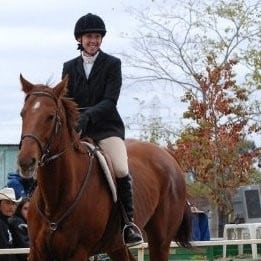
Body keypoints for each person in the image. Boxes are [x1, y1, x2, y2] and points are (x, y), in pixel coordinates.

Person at [62, 13, 143, 247]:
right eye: (89, 36)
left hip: (106, 127)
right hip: (79, 129)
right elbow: (66, 100)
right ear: (80, 38)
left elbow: (110, 101)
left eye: (97, 36)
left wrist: (88, 115)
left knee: (119, 166)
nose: (93, 40)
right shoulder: (69, 67)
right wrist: (74, 121)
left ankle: (128, 223)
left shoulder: (112, 64)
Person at [0, 187, 22, 261]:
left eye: (13, 203)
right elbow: (4, 253)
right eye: (7, 202)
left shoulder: (6, 222)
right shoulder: (1, 223)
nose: (11, 207)